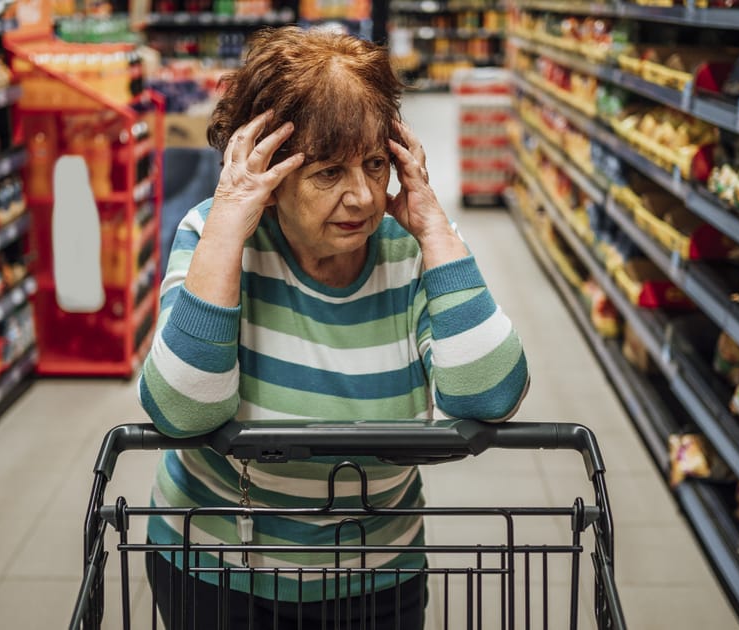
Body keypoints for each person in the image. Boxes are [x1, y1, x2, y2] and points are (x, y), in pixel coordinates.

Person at [137, 25, 529, 629]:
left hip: (377, 575)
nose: (364, 198)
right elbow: (180, 410)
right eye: (327, 173)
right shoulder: (217, 238)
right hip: (216, 570)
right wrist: (225, 225)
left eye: (376, 164)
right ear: (266, 168)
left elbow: (491, 392)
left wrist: (433, 228)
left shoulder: (409, 251)